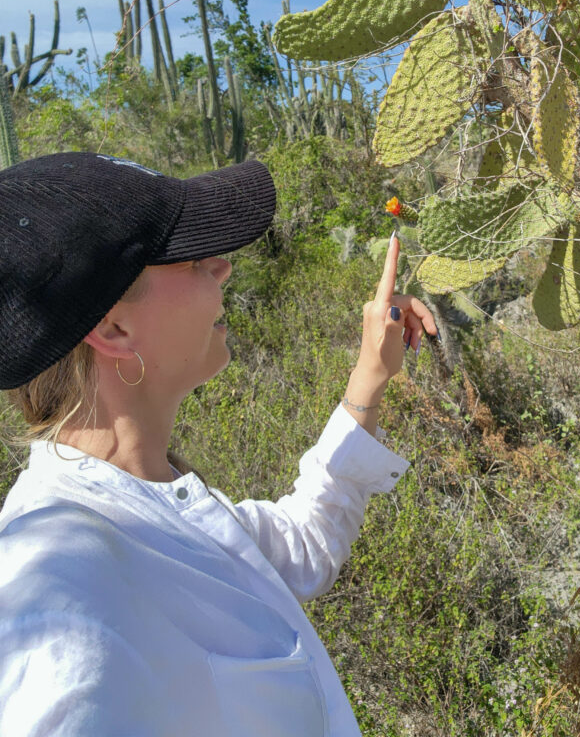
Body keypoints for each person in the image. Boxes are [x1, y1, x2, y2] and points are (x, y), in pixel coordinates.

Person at [0, 151, 437, 737]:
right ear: (112, 329)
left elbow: (303, 545)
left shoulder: (147, 505)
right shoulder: (63, 586)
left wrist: (369, 375)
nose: (222, 267)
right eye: (188, 255)